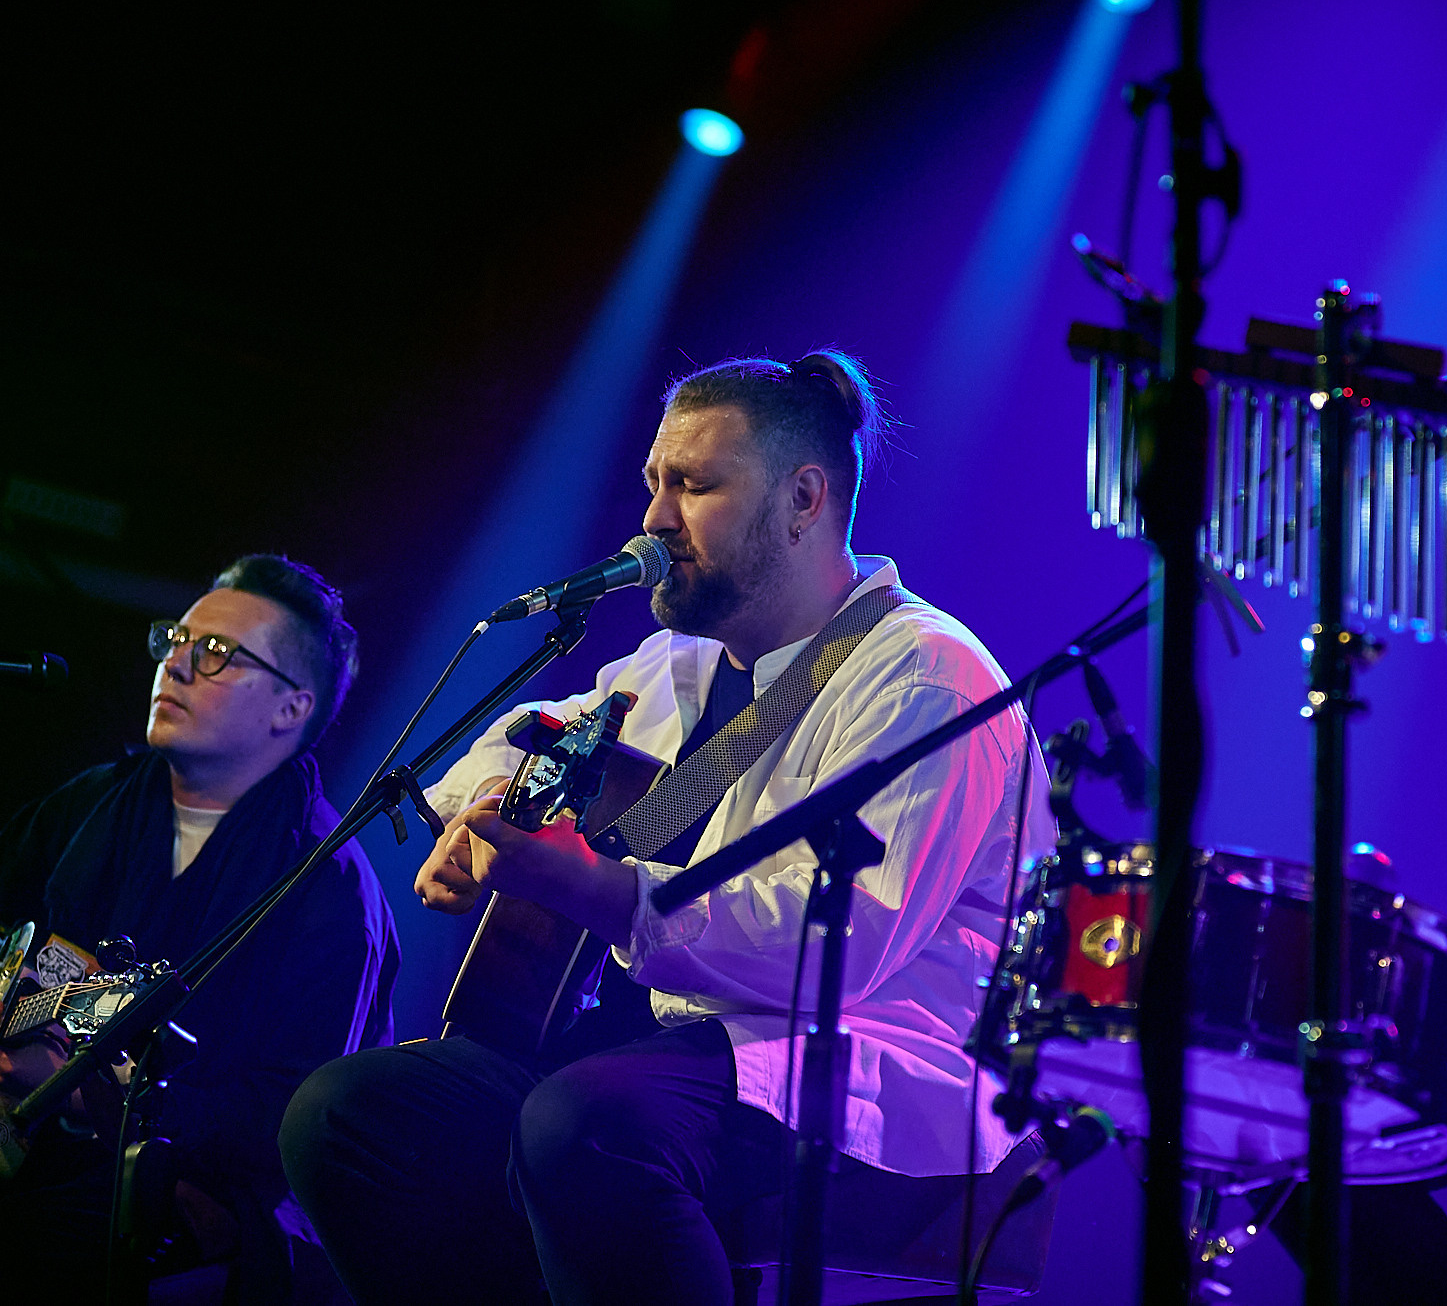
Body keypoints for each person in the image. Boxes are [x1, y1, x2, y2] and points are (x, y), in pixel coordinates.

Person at [281, 352, 1051, 1305]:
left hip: (856, 1065)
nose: (652, 518)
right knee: (345, 1115)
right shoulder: (671, 663)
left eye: (692, 485)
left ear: (804, 497)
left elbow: (833, 952)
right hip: (655, 1044)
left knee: (585, 1124)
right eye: (654, 482)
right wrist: (492, 812)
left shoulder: (929, 679)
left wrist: (594, 888)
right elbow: (509, 743)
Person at [0, 554, 400, 1299]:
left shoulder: (326, 887)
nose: (176, 664)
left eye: (215, 653)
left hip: (189, 1187)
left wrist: (90, 1097)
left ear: (290, 708)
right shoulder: (95, 800)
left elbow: (291, 1113)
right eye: (176, 638)